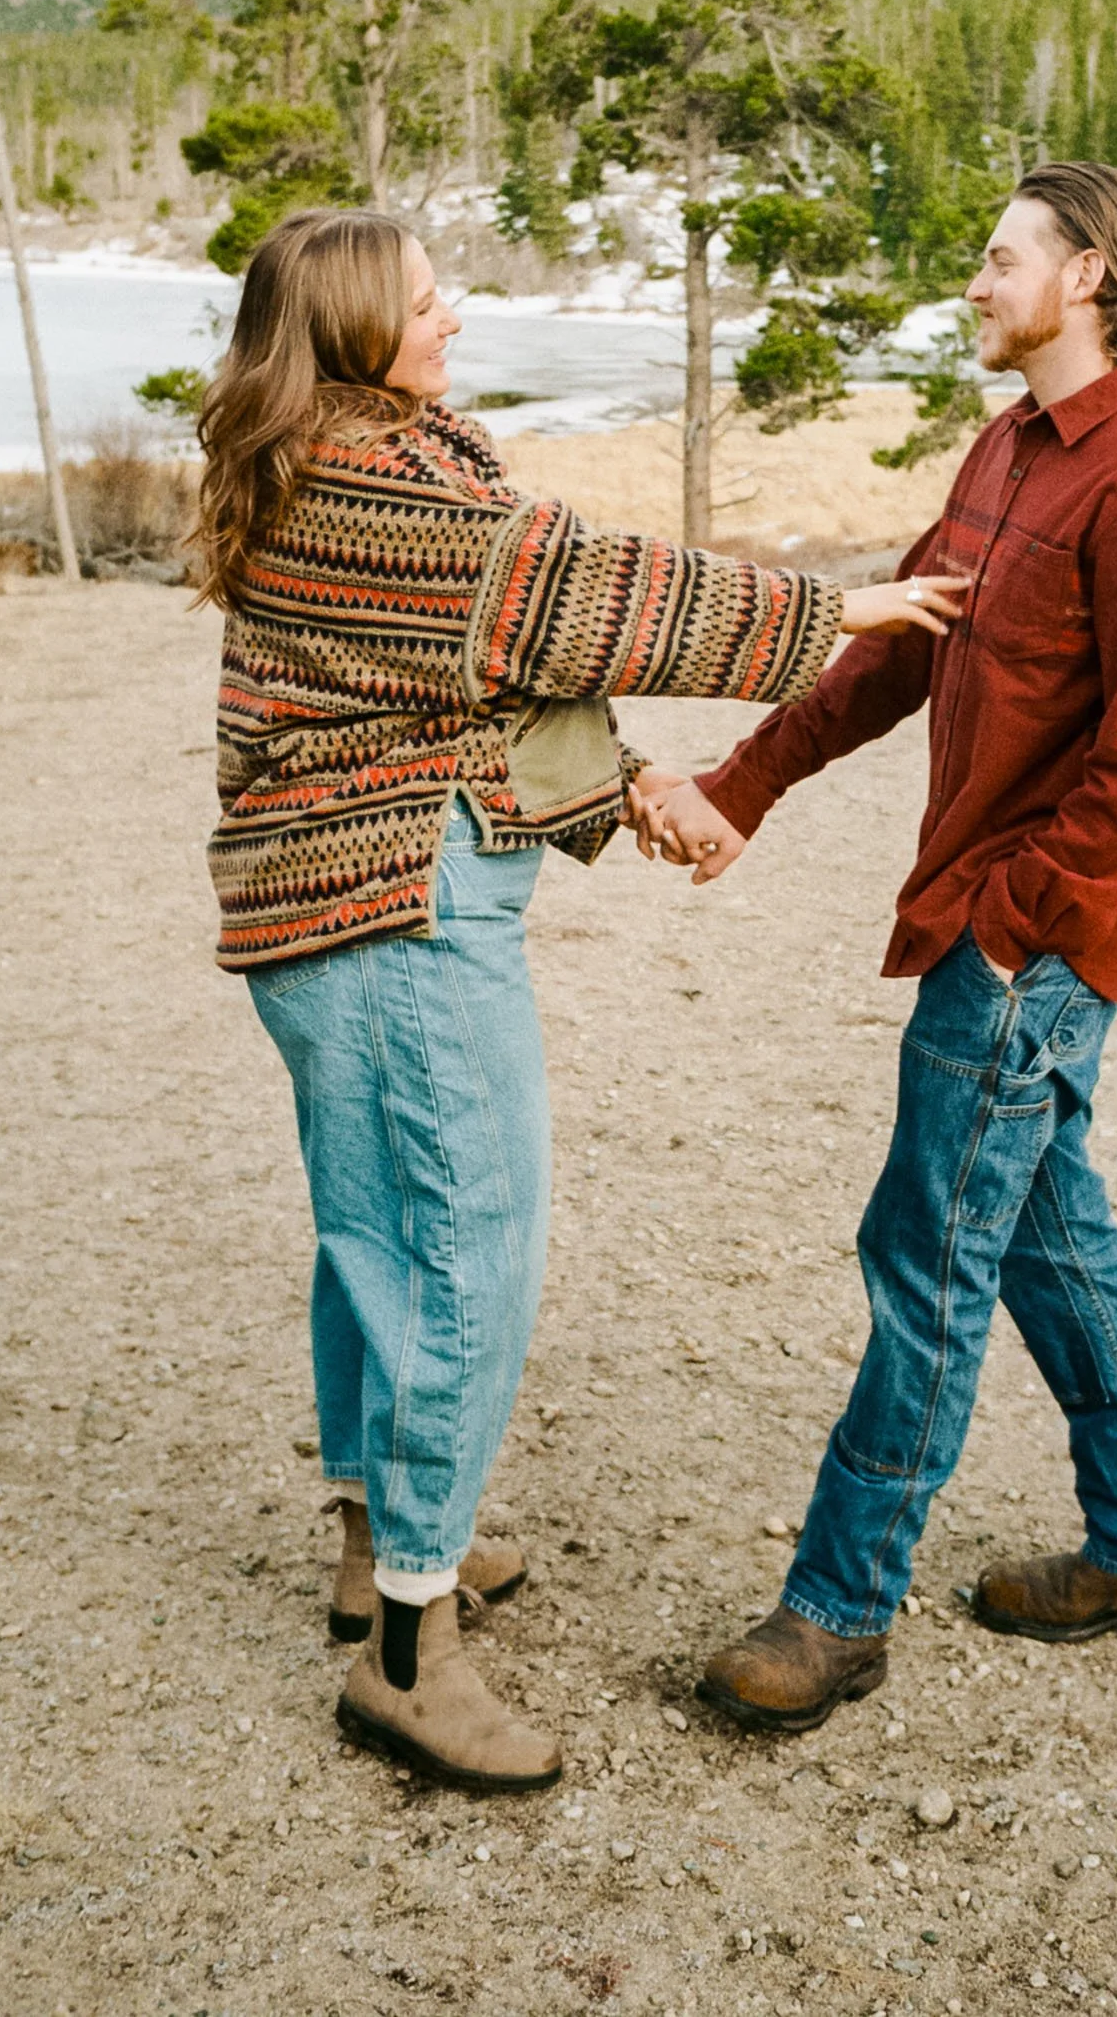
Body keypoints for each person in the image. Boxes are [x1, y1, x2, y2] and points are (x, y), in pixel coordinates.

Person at [191, 206, 965, 1792]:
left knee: (376, 1240)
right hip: (390, 913)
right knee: (469, 1248)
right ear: (348, 336)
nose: (452, 320)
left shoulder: (368, 459)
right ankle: (404, 1649)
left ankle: (376, 1546)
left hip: (345, 904)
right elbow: (574, 592)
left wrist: (627, 790)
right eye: (423, 305)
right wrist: (847, 611)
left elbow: (483, 681)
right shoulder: (372, 492)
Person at [635, 162, 1117, 1734]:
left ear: (1091, 275)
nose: (972, 285)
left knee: (927, 1256)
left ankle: (836, 1610)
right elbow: (897, 645)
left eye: (998, 261)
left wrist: (1013, 924)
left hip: (1026, 944)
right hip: (995, 924)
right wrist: (740, 785)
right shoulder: (1008, 450)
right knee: (1044, 1233)